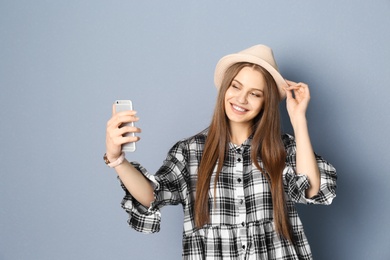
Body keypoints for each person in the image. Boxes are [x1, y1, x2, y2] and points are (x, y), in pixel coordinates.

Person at [104, 44, 337, 259]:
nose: (241, 99)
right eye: (236, 86)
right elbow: (152, 195)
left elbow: (313, 189)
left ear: (266, 102)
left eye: (255, 93)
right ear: (225, 88)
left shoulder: (281, 148)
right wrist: (117, 159)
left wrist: (298, 119)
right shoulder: (189, 151)